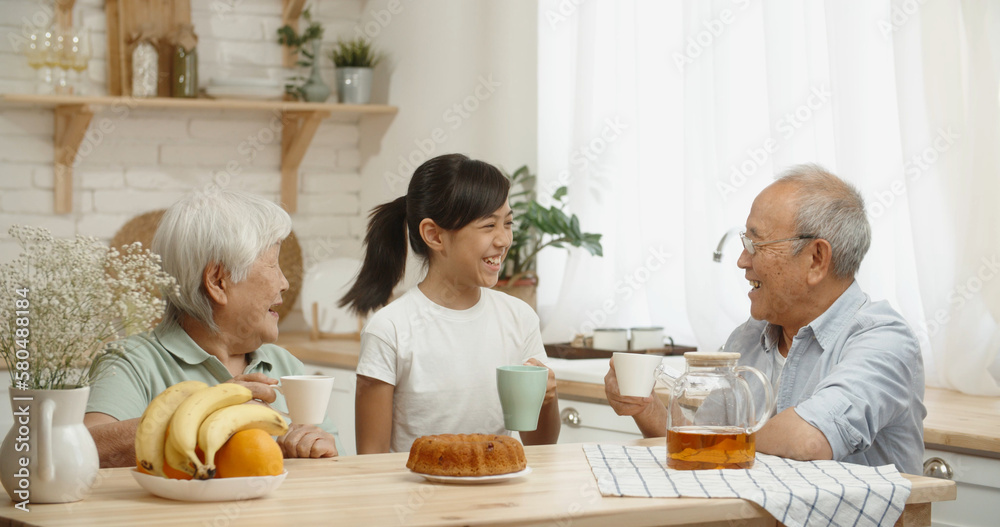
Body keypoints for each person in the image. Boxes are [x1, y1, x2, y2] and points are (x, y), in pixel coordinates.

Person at [605, 164, 925, 474]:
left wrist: (717, 442)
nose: (742, 260)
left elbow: (809, 439)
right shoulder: (747, 338)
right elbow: (700, 451)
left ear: (816, 259)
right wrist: (646, 408)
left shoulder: (885, 341)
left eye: (755, 244)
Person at [85, 190, 340, 468]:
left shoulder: (285, 364)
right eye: (272, 264)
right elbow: (87, 449)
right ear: (218, 281)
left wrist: (322, 450)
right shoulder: (131, 362)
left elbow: (340, 468)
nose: (284, 283)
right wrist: (210, 409)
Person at [341, 153, 560, 454]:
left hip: (496, 496)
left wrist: (547, 399)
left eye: (507, 223)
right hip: (416, 498)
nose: (503, 240)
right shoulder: (389, 329)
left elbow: (542, 446)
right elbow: (370, 459)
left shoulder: (519, 317)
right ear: (435, 235)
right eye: (488, 226)